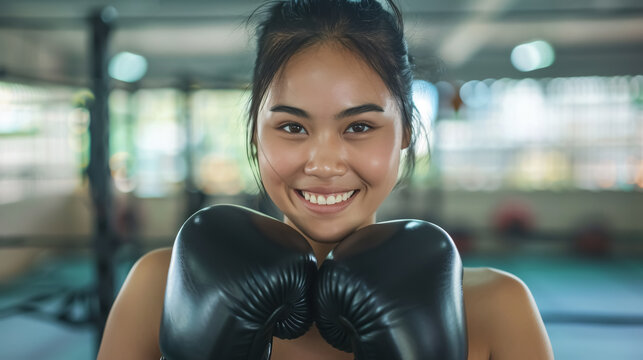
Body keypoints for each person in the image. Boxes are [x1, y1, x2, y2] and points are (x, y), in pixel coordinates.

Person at [97, 0, 554, 359]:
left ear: (406, 133)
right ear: (255, 135)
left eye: (359, 126)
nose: (324, 163)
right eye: (293, 127)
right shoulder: (160, 286)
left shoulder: (498, 310)